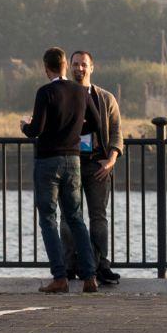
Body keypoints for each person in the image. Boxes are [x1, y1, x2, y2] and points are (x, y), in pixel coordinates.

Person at [21, 45, 99, 295]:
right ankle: (90, 277)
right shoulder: (80, 91)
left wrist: (25, 126)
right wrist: (76, 128)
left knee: (48, 218)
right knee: (76, 218)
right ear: (66, 65)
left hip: (48, 161)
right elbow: (96, 122)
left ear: (46, 68)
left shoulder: (45, 92)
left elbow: (37, 130)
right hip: (73, 161)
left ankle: (60, 277)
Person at [67, 49, 123, 289]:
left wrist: (111, 160)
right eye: (75, 64)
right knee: (69, 218)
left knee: (98, 217)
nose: (79, 68)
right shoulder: (63, 95)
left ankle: (101, 265)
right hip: (70, 164)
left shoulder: (106, 98)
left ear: (92, 67)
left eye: (84, 65)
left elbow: (117, 132)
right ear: (70, 67)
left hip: (98, 166)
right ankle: (68, 267)